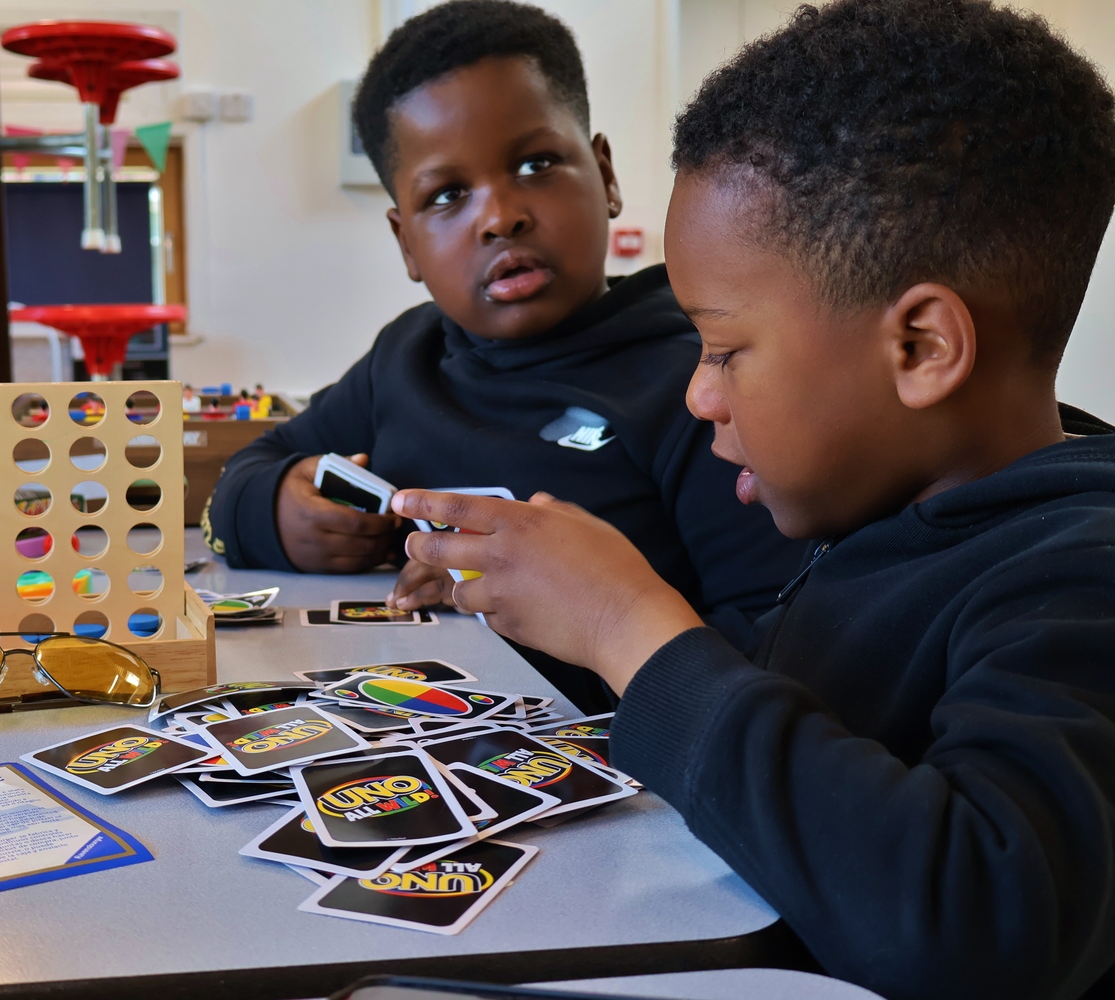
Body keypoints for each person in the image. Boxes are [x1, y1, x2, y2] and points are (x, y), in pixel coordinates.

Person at [391, 1, 1115, 996]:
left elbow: (979, 920)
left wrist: (626, 624)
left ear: (921, 348)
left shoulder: (1082, 577)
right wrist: (564, 611)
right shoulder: (878, 519)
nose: (699, 395)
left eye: (725, 350)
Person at [201, 0, 804, 707]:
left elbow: (776, 642)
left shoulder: (700, 381)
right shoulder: (407, 356)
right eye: (447, 194)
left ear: (605, 176)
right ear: (405, 243)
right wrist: (276, 512)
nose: (499, 216)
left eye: (536, 163)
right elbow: (248, 470)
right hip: (409, 728)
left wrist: (551, 621)